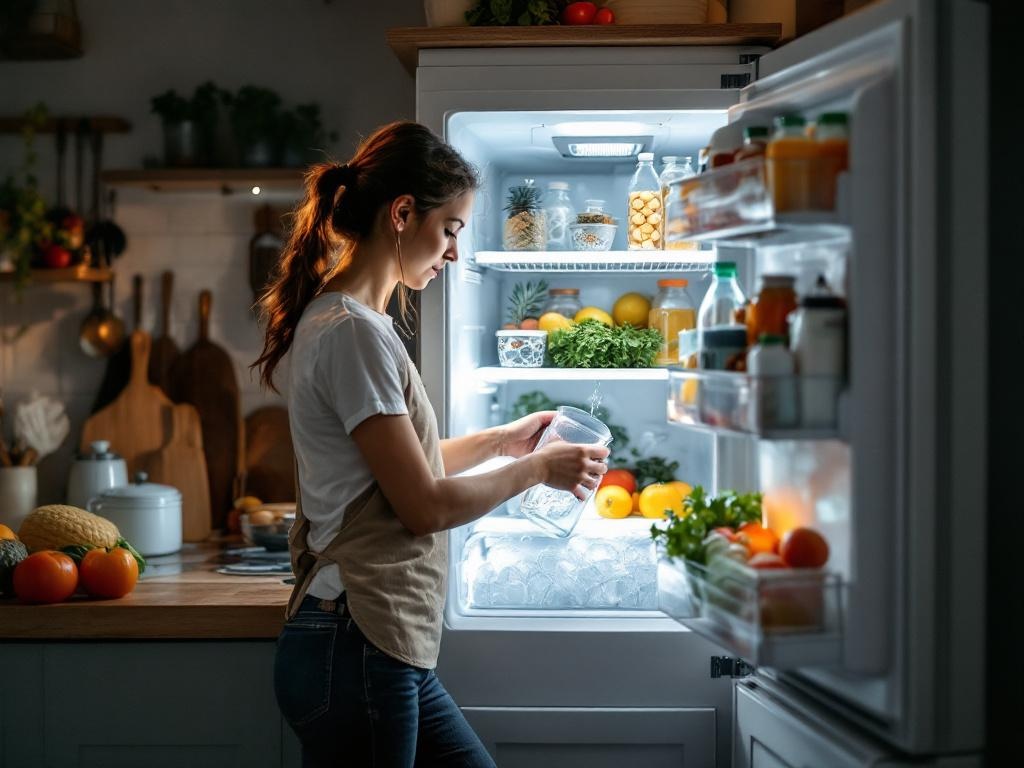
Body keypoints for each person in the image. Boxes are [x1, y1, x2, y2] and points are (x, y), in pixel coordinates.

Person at [252, 121, 609, 767]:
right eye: (449, 230)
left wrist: (503, 442)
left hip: (370, 639)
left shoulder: (352, 322)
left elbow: (397, 474)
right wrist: (535, 470)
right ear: (403, 213)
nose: (452, 253)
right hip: (355, 636)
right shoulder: (351, 332)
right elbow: (423, 507)